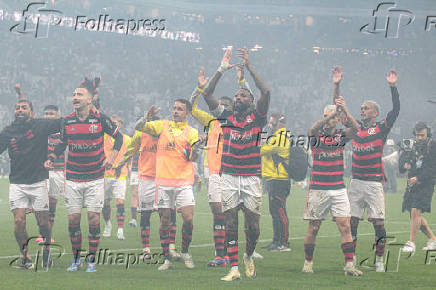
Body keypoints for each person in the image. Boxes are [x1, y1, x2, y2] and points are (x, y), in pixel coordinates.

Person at [201, 47, 270, 281]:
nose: (239, 98)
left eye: (243, 96)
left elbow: (266, 91)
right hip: (228, 175)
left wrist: (249, 69)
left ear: (251, 101)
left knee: (253, 226)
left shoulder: (258, 119)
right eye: (237, 95)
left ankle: (248, 255)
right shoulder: (226, 116)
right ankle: (233, 268)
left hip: (251, 176)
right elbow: (207, 93)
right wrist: (221, 69)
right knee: (229, 219)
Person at [47, 78, 123, 273]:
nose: (75, 97)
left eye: (79, 94)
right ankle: (76, 260)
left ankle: (91, 260)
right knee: (73, 220)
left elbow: (119, 137)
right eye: (74, 94)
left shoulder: (100, 119)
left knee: (93, 219)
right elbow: (63, 143)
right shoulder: (66, 120)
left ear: (90, 99)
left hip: (95, 177)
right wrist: (52, 156)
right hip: (72, 177)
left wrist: (111, 158)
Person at [345, 69, 400, 272]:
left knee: (378, 223)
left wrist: (392, 87)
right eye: (361, 108)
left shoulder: (381, 128)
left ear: (375, 113)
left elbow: (395, 111)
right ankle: (351, 260)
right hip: (356, 182)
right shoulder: (356, 128)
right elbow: (342, 113)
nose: (362, 111)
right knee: (352, 223)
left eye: (366, 108)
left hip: (374, 183)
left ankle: (378, 261)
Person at [135, 99, 199, 270]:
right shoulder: (162, 126)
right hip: (163, 183)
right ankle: (167, 259)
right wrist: (146, 118)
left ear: (187, 113)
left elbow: (194, 157)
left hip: (184, 182)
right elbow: (139, 127)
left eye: (180, 109)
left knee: (188, 218)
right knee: (164, 221)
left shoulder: (192, 132)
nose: (176, 111)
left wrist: (191, 152)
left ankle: (185, 251)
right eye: (174, 108)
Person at [302, 92, 362, 276]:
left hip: (338, 188)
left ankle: (349, 265)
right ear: (324, 117)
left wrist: (344, 110)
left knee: (345, 226)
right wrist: (330, 115)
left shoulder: (341, 136)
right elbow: (311, 130)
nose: (330, 120)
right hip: (318, 189)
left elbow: (357, 129)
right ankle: (308, 263)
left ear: (338, 120)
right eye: (327, 117)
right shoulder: (316, 135)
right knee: (314, 227)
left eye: (334, 117)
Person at [0, 98, 61, 269]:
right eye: (17, 107)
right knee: (19, 222)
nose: (19, 110)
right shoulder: (8, 131)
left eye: (24, 107)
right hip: (17, 183)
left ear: (31, 112)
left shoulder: (40, 125)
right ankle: (26, 258)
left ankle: (47, 250)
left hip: (38, 182)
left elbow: (63, 123)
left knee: (43, 223)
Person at [399, 122, 436, 253]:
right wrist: (405, 164)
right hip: (411, 184)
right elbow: (402, 166)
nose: (420, 138)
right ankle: (433, 239)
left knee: (415, 211)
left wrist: (419, 178)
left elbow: (433, 168)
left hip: (425, 184)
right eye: (418, 135)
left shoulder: (432, 146)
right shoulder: (411, 146)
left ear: (428, 133)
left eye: (422, 135)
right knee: (414, 215)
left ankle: (411, 243)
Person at [260, 113, 291, 252]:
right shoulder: (277, 136)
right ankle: (276, 241)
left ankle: (283, 243)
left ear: (280, 123)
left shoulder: (281, 137)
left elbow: (262, 150)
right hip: (274, 178)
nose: (269, 126)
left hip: (279, 179)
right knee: (274, 211)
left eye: (272, 123)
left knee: (279, 211)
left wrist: (263, 141)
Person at [102, 116, 131, 240]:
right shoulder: (104, 137)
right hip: (105, 174)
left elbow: (131, 153)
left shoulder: (127, 139)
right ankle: (108, 225)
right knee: (105, 203)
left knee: (120, 202)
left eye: (115, 123)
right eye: (111, 123)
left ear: (121, 125)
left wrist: (123, 165)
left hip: (120, 175)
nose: (113, 125)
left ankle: (120, 230)